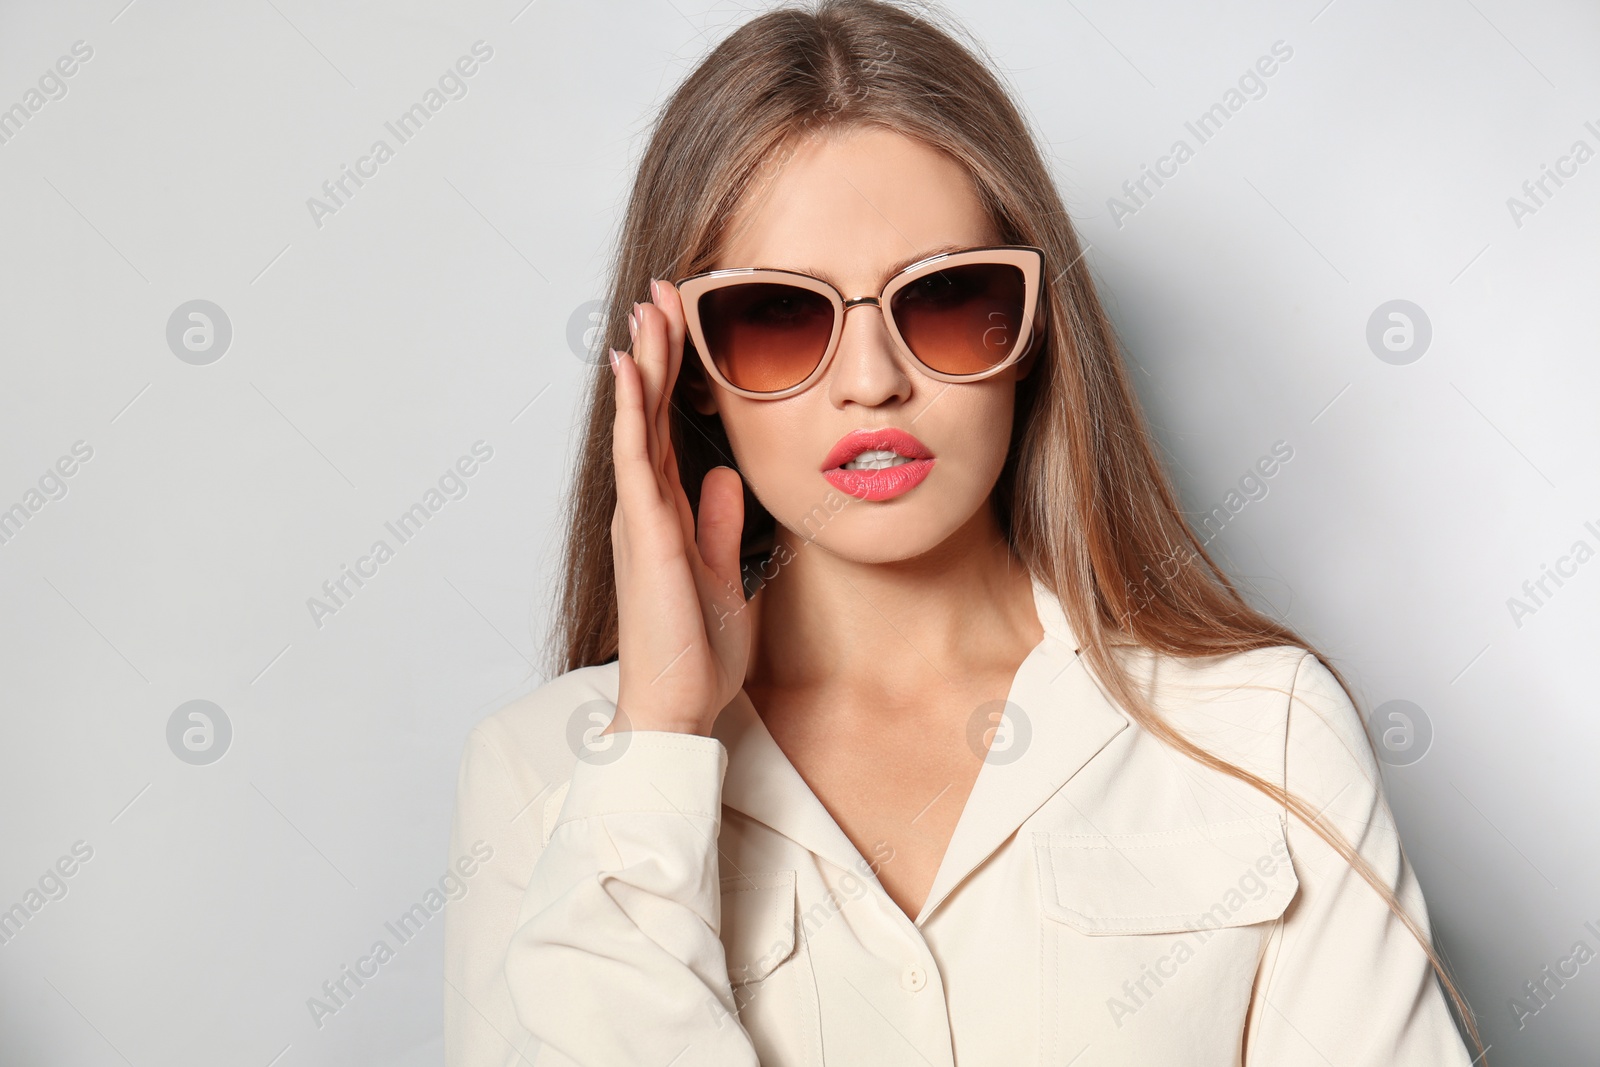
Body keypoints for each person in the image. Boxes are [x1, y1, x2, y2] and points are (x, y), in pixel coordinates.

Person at [444, 2, 1482, 1063]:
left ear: (1032, 330)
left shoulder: (1262, 732)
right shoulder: (542, 776)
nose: (873, 379)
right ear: (690, 372)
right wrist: (660, 736)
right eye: (778, 317)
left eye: (944, 298)